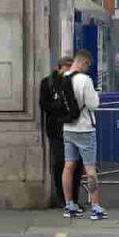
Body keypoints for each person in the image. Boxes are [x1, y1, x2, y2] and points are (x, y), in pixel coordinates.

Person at [61, 49, 107, 220]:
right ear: (84, 63)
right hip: (85, 129)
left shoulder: (62, 78)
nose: (88, 69)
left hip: (68, 128)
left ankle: (69, 205)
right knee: (90, 169)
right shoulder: (85, 80)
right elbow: (94, 104)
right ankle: (96, 207)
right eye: (88, 66)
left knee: (68, 167)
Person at [40, 56, 84, 209]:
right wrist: (60, 106)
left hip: (74, 128)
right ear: (60, 68)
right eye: (67, 68)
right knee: (60, 163)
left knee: (76, 165)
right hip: (57, 129)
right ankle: (62, 197)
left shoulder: (76, 82)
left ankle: (74, 199)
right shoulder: (47, 83)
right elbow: (44, 104)